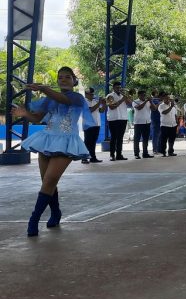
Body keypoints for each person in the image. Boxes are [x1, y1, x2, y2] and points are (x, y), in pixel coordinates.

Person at [12, 67, 93, 236]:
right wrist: (25, 113)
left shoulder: (77, 97)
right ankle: (56, 212)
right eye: (60, 77)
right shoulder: (50, 99)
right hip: (47, 139)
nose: (63, 79)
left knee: (50, 179)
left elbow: (63, 99)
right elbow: (38, 118)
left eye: (67, 77)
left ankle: (34, 219)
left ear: (74, 80)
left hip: (66, 141)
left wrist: (43, 88)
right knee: (47, 182)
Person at [106, 81, 131, 161]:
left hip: (123, 118)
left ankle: (119, 155)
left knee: (120, 138)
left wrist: (126, 98)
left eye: (120, 88)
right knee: (114, 137)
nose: (119, 89)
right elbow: (112, 107)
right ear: (113, 88)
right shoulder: (109, 96)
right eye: (117, 88)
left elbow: (129, 103)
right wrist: (122, 100)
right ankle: (112, 155)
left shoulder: (123, 96)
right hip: (113, 119)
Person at [82, 87, 105, 164]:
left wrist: (104, 104)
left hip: (96, 124)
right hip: (88, 124)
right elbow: (90, 110)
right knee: (87, 142)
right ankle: (84, 158)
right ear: (86, 94)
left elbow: (101, 111)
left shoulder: (95, 101)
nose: (92, 95)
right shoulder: (83, 101)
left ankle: (93, 157)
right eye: (90, 94)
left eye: (92, 94)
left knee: (93, 142)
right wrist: (99, 103)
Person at [131, 90, 155, 159]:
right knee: (137, 139)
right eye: (142, 95)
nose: (144, 96)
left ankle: (145, 153)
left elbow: (154, 109)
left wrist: (150, 101)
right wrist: (146, 101)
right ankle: (136, 154)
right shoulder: (135, 101)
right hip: (138, 123)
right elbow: (139, 108)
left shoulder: (148, 102)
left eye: (145, 95)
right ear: (139, 96)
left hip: (147, 122)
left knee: (146, 139)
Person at [158, 93, 178, 157]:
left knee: (172, 139)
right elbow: (164, 112)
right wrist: (171, 107)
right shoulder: (161, 106)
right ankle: (163, 152)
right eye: (166, 98)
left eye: (169, 98)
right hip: (165, 125)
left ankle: (171, 151)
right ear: (163, 98)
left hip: (173, 125)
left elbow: (175, 115)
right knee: (164, 140)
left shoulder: (173, 106)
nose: (168, 99)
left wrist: (176, 123)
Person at [150, 90, 163, 154]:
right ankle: (155, 150)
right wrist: (160, 102)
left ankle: (160, 149)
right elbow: (154, 108)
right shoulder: (155, 100)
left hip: (162, 120)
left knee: (161, 135)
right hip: (156, 120)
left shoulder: (164, 102)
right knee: (156, 135)